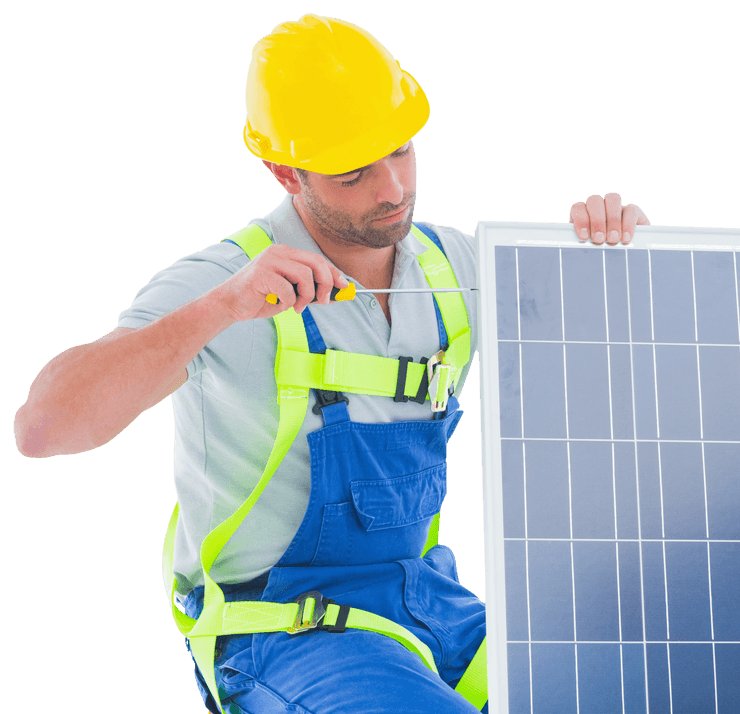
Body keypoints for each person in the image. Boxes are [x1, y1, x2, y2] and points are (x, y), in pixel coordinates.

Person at [13, 13, 649, 714]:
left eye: (401, 152)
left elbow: (624, 353)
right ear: (285, 170)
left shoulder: (456, 267)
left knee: (627, 692)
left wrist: (623, 258)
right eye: (354, 172)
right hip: (284, 629)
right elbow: (44, 429)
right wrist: (217, 312)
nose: (392, 189)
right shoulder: (221, 284)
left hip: (428, 603)